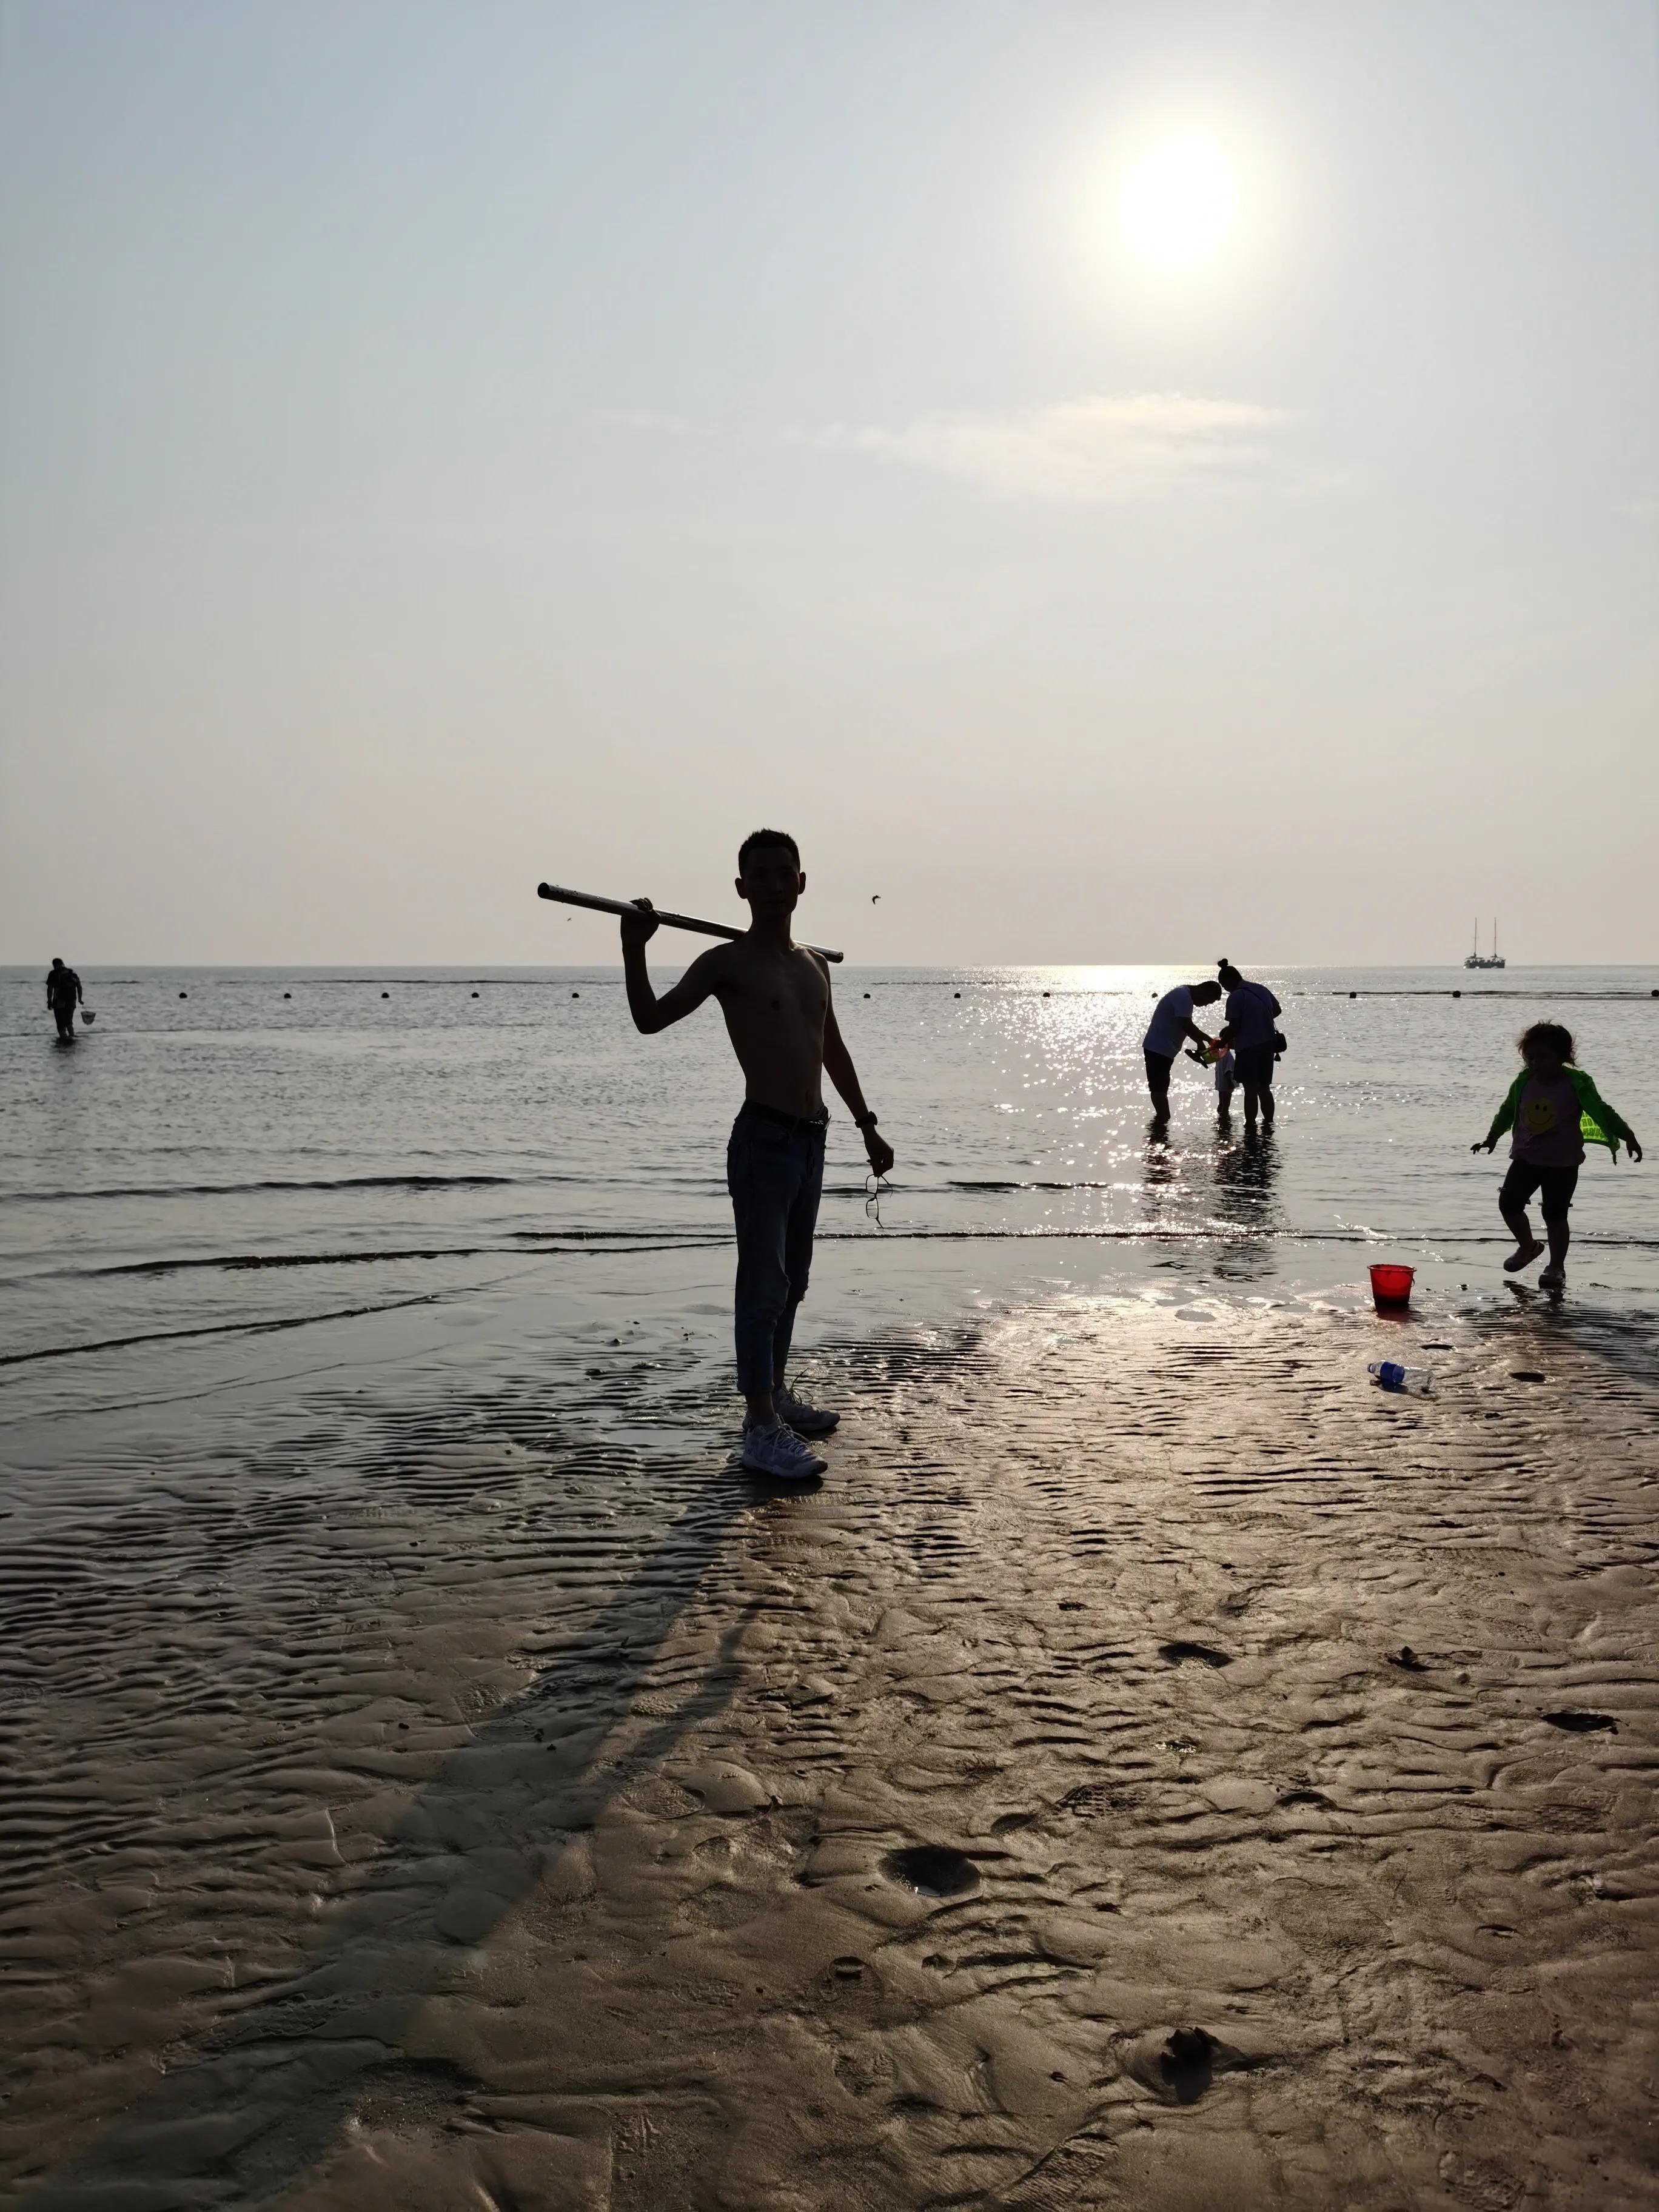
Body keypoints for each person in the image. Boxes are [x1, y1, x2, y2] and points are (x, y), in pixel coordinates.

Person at [621, 830, 894, 1481]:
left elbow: (832, 1050)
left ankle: (775, 1394)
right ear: (741, 889)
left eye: (784, 874)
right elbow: (649, 1019)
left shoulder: (814, 965)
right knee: (762, 1283)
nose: (773, 885)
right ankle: (758, 1424)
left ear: (802, 883)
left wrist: (867, 1125)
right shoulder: (726, 964)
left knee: (794, 1281)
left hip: (814, 1136)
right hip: (764, 1140)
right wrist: (634, 947)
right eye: (759, 876)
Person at [1472, 1021, 1641, 1292]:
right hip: (1526, 1158)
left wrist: (1628, 1136)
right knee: (1509, 1204)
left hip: (1563, 1163)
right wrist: (1492, 1137)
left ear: (1563, 1057)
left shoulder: (1576, 1084)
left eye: (1543, 1057)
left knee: (1555, 1214)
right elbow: (1507, 1110)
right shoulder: (1524, 1082)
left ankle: (1556, 1267)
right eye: (1530, 1057)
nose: (1535, 1063)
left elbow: (1603, 1110)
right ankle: (1528, 1246)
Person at [1142, 980, 1222, 1118]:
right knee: (1159, 1088)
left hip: (1164, 1049)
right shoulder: (1182, 996)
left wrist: (1199, 1042)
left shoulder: (1185, 997)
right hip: (1158, 1048)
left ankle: (1161, 1123)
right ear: (1204, 991)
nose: (1205, 1005)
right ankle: (1163, 1121)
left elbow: (1184, 1025)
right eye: (1208, 1001)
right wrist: (1209, 1040)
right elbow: (1187, 1025)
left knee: (1161, 1086)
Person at [1216, 960, 1282, 1127]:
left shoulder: (1236, 996)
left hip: (1248, 1047)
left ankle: (1250, 1127)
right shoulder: (1261, 989)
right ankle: (1269, 1124)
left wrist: (1221, 1043)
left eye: (1224, 986)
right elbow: (1277, 1010)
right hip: (1268, 1044)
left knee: (1251, 1090)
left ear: (1228, 981)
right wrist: (1260, 1020)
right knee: (1264, 1088)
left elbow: (1234, 1027)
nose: (1225, 990)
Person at [45, 957, 82, 1040]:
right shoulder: (72, 973)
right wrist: (80, 999)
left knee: (61, 1023)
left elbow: (50, 988)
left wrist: (49, 1001)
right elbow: (79, 986)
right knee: (69, 1022)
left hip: (59, 1001)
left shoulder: (54, 973)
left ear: (55, 965)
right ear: (62, 963)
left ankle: (63, 1041)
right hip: (72, 1000)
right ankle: (72, 1038)